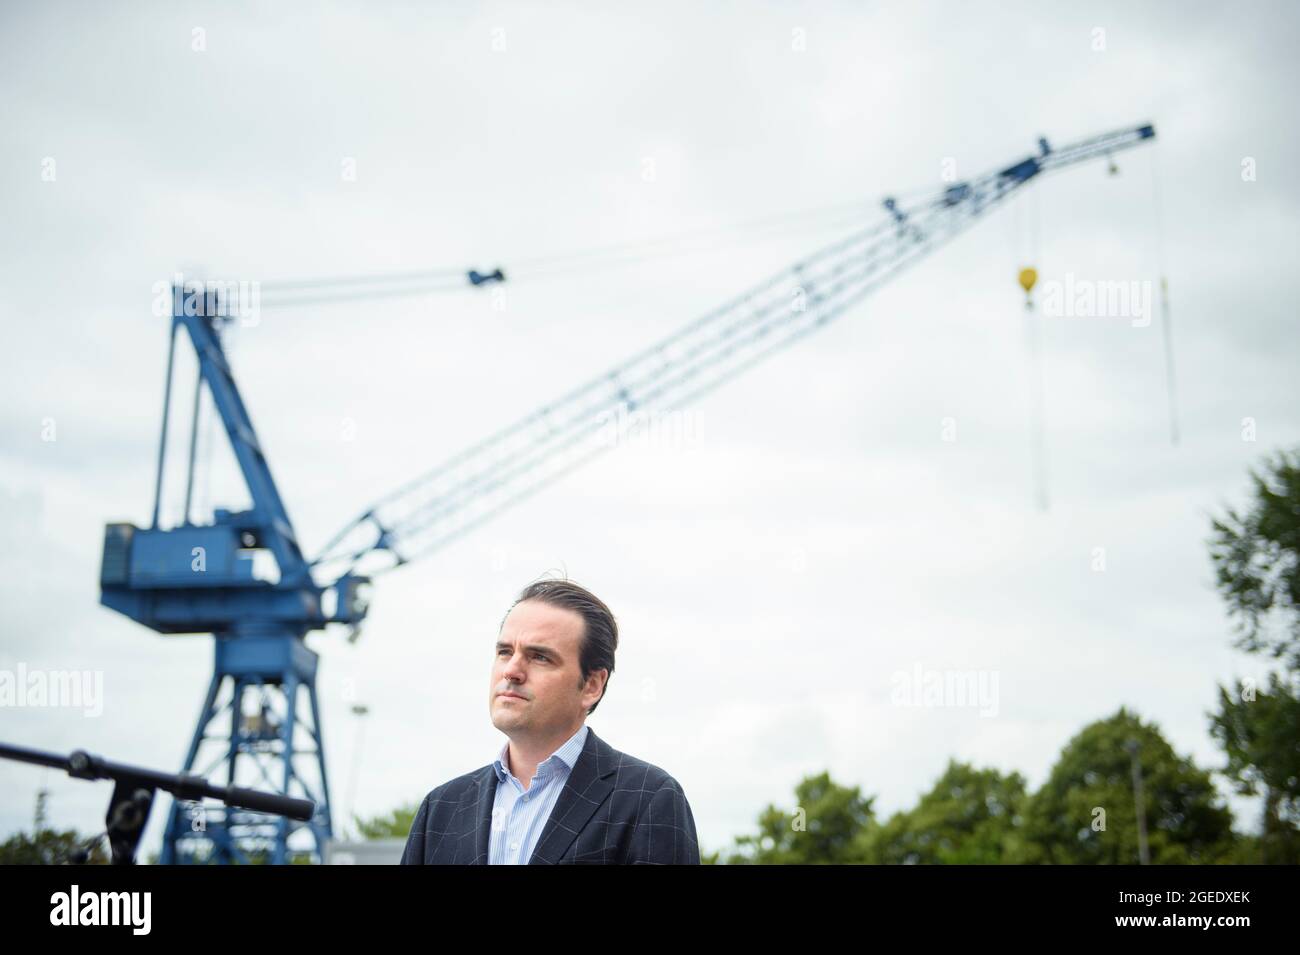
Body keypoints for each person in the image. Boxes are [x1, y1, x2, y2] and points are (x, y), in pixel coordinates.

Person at [400, 577, 700, 864]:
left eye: (540, 657)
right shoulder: (440, 809)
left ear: (592, 685)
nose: (511, 671)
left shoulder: (649, 799)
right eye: (505, 652)